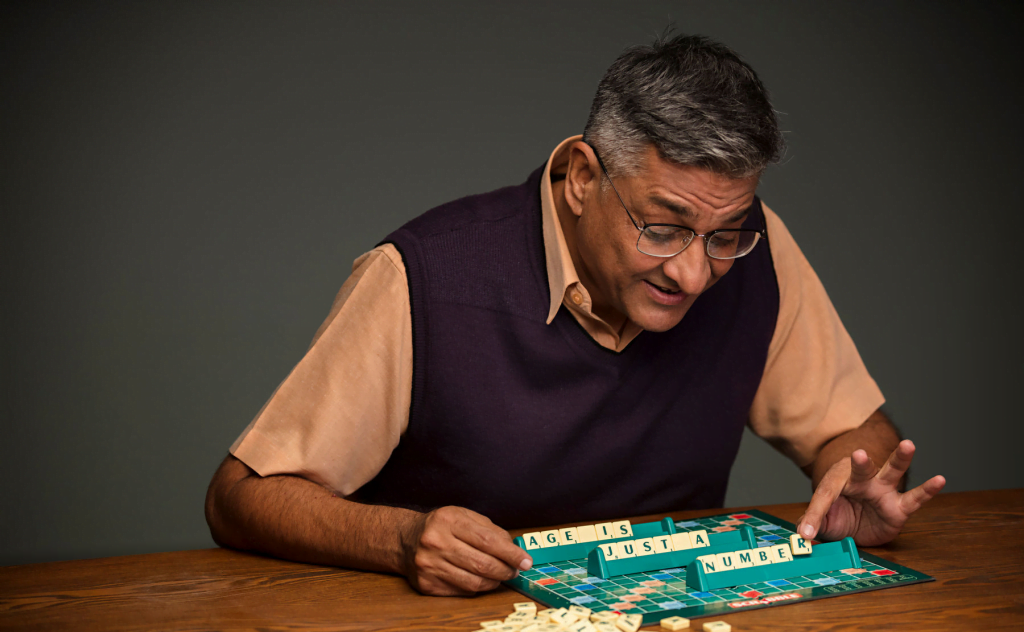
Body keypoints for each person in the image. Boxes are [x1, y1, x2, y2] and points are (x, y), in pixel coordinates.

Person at [205, 34, 945, 597]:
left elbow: (857, 437)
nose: (694, 272)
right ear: (584, 180)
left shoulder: (755, 253)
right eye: (662, 226)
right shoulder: (421, 278)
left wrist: (854, 480)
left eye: (723, 235)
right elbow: (240, 497)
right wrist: (400, 538)